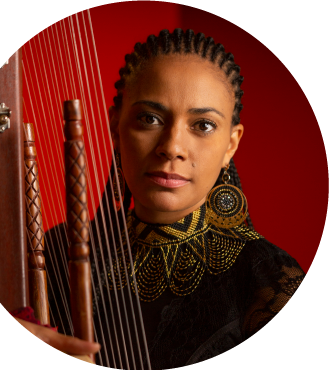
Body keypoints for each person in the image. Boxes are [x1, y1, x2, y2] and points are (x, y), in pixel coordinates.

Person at [16, 29, 305, 369]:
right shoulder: (51, 253)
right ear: (115, 126)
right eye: (149, 118)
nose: (171, 146)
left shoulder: (266, 276)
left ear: (231, 144)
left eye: (203, 125)